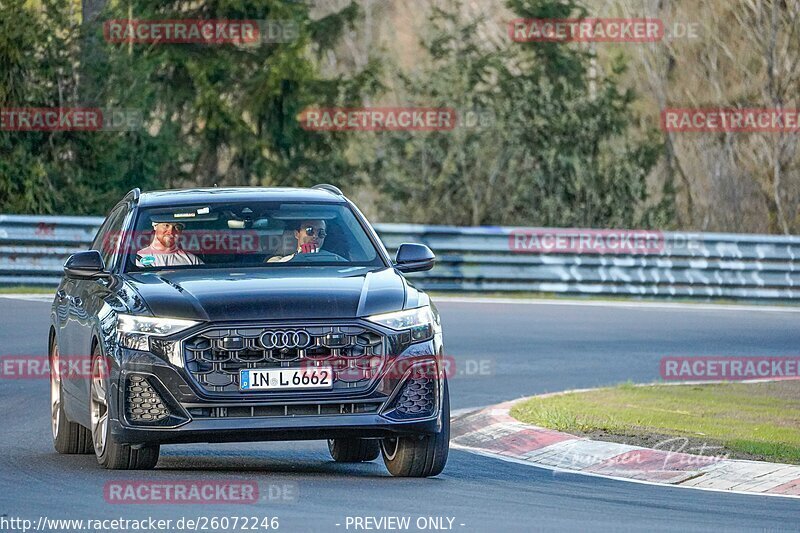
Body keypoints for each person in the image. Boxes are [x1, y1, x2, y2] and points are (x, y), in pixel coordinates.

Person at [136, 221, 203, 267]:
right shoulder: (138, 258)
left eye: (177, 227)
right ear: (155, 226)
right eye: (166, 225)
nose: (170, 232)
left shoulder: (192, 261)